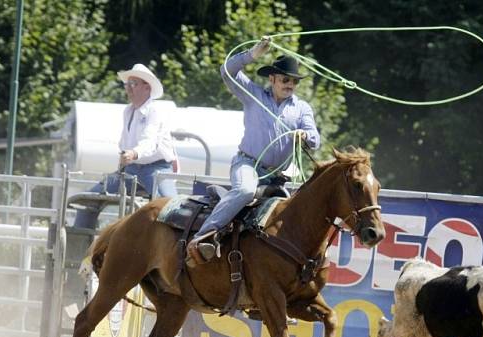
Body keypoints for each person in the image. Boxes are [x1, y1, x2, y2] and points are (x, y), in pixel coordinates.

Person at [186, 38, 321, 264]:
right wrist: (252, 54)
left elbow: (315, 138)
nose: (290, 85)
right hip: (247, 164)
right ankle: (203, 237)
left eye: (294, 81)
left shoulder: (302, 108)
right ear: (272, 79)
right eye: (285, 79)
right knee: (246, 190)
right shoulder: (253, 94)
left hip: (276, 177)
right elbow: (227, 71)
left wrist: (305, 135)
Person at [73, 63, 178, 229]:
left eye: (133, 84)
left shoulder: (155, 112)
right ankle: (79, 247)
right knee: (89, 199)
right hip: (132, 168)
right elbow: (126, 142)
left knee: (171, 206)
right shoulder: (128, 111)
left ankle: (180, 249)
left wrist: (133, 153)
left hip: (156, 169)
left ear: (147, 88)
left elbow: (150, 141)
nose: (128, 88)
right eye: (127, 84)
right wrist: (127, 158)